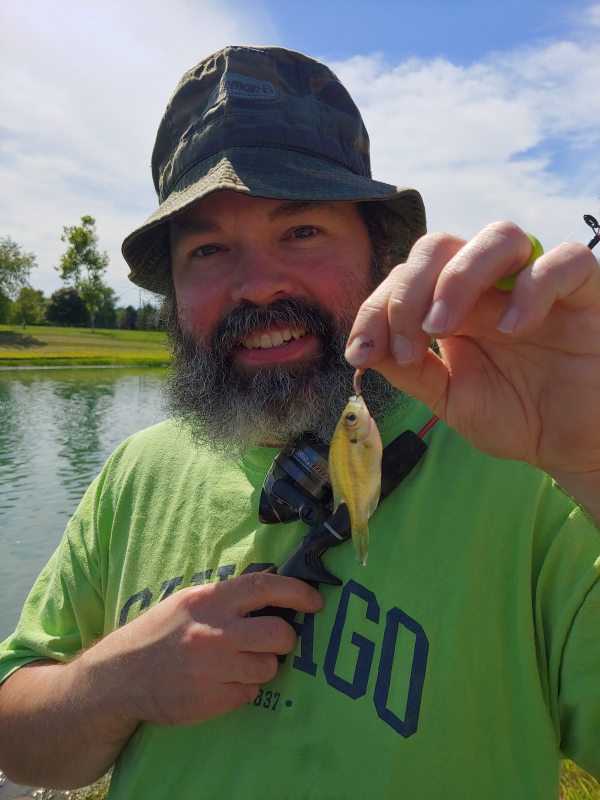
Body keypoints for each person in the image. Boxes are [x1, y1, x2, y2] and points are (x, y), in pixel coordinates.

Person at [1, 45, 599, 800]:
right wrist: (113, 683)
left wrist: (593, 464)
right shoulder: (135, 475)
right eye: (209, 249)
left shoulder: (537, 480)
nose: (257, 285)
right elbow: (19, 746)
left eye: (302, 231)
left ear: (382, 252)